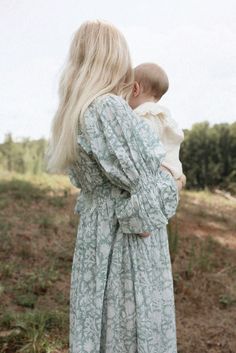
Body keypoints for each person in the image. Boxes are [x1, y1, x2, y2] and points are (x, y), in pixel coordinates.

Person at [46, 20, 182, 353]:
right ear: (112, 58)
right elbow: (148, 196)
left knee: (100, 328)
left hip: (96, 237)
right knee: (128, 333)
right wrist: (175, 179)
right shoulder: (108, 109)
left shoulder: (75, 112)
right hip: (125, 244)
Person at [129, 62, 186, 189]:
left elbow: (141, 147)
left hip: (159, 172)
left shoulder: (144, 115)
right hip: (173, 171)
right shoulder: (163, 115)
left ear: (134, 89)